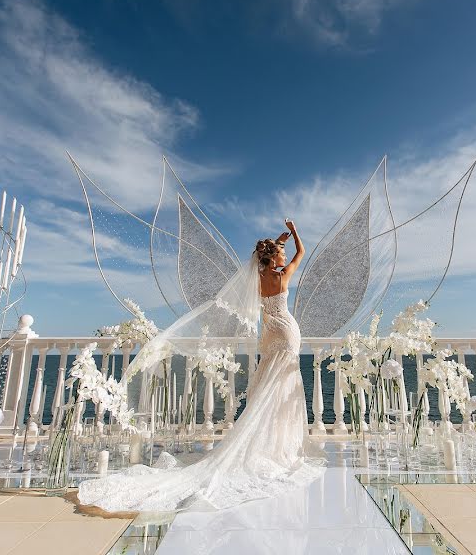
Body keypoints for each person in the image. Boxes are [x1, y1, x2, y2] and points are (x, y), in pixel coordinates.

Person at [77, 219, 325, 512]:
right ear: (274, 258)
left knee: (269, 386)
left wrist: (278, 240)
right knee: (284, 388)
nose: (284, 257)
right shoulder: (283, 276)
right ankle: (281, 447)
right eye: (280, 254)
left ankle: (268, 444)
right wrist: (294, 232)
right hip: (287, 332)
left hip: (270, 335)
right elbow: (302, 252)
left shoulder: (258, 280)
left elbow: (272, 257)